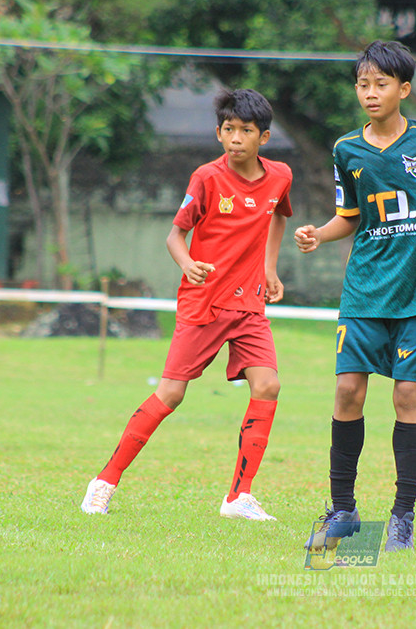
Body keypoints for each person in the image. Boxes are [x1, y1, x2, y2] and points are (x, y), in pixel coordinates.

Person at [294, 40, 416, 551]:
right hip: (364, 288)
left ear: (404, 89)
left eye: (380, 84)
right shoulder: (346, 149)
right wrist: (319, 235)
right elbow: (349, 217)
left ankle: (402, 517)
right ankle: (343, 511)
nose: (370, 93)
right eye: (362, 84)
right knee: (348, 390)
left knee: (406, 394)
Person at [81, 88, 293, 519]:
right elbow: (175, 236)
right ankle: (103, 482)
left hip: (249, 306)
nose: (236, 139)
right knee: (171, 393)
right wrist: (188, 263)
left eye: (245, 131)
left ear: (264, 137)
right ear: (218, 133)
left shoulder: (280, 176)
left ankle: (238, 497)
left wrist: (269, 269)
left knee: (268, 385)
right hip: (204, 303)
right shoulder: (206, 178)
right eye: (229, 130)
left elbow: (278, 216)